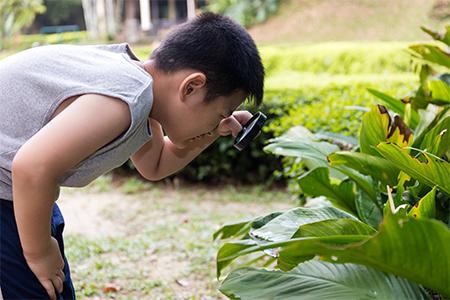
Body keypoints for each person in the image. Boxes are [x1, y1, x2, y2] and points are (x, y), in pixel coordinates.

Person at [0, 12, 264, 299]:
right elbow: (31, 167)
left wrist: (212, 131)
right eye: (220, 114)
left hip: (20, 190)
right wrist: (38, 252)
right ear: (191, 87)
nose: (217, 123)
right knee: (44, 285)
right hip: (11, 191)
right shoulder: (126, 98)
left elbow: (156, 163)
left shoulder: (137, 88)